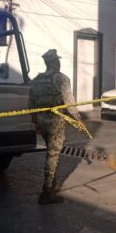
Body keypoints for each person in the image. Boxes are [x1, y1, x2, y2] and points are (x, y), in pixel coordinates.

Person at [28, 49, 83, 205]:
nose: (59, 62)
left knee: (50, 151)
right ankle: (46, 192)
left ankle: (51, 184)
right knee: (52, 155)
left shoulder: (37, 80)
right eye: (58, 60)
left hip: (41, 119)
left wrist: (35, 121)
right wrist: (78, 120)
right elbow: (69, 102)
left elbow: (31, 102)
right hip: (55, 121)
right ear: (55, 62)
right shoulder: (61, 78)